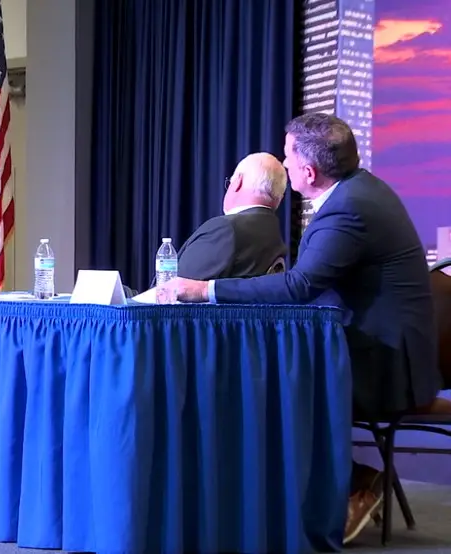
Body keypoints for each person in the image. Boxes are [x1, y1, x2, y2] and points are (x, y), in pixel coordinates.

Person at [165, 113, 443, 544]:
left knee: (263, 384)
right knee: (269, 373)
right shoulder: (359, 191)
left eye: (288, 157)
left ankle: (348, 484)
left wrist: (205, 289)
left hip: (386, 367)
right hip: (381, 349)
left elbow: (300, 286)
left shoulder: (348, 209)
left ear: (309, 172)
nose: (284, 164)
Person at [176, 152, 288, 281]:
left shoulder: (224, 229)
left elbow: (175, 288)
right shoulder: (273, 230)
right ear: (280, 198)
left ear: (238, 182)